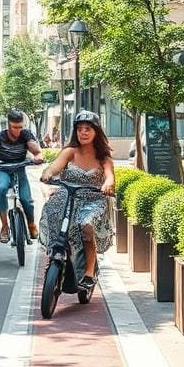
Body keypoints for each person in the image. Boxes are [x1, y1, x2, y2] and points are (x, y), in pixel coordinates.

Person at [40, 110, 116, 288]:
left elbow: (110, 176)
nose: (83, 132)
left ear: (96, 132)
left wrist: (108, 184)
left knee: (86, 225)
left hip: (93, 199)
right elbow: (54, 167)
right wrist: (47, 173)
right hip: (67, 196)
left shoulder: (104, 158)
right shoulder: (70, 152)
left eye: (88, 129)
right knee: (52, 209)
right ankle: (54, 254)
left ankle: (89, 272)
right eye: (80, 129)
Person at [0, 109, 45, 243]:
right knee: (1, 189)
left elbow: (34, 148)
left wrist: (38, 156)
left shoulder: (26, 134)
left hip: (20, 169)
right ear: (8, 125)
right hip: (3, 169)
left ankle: (31, 223)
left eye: (20, 127)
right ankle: (5, 226)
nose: (17, 130)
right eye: (14, 127)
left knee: (26, 200)